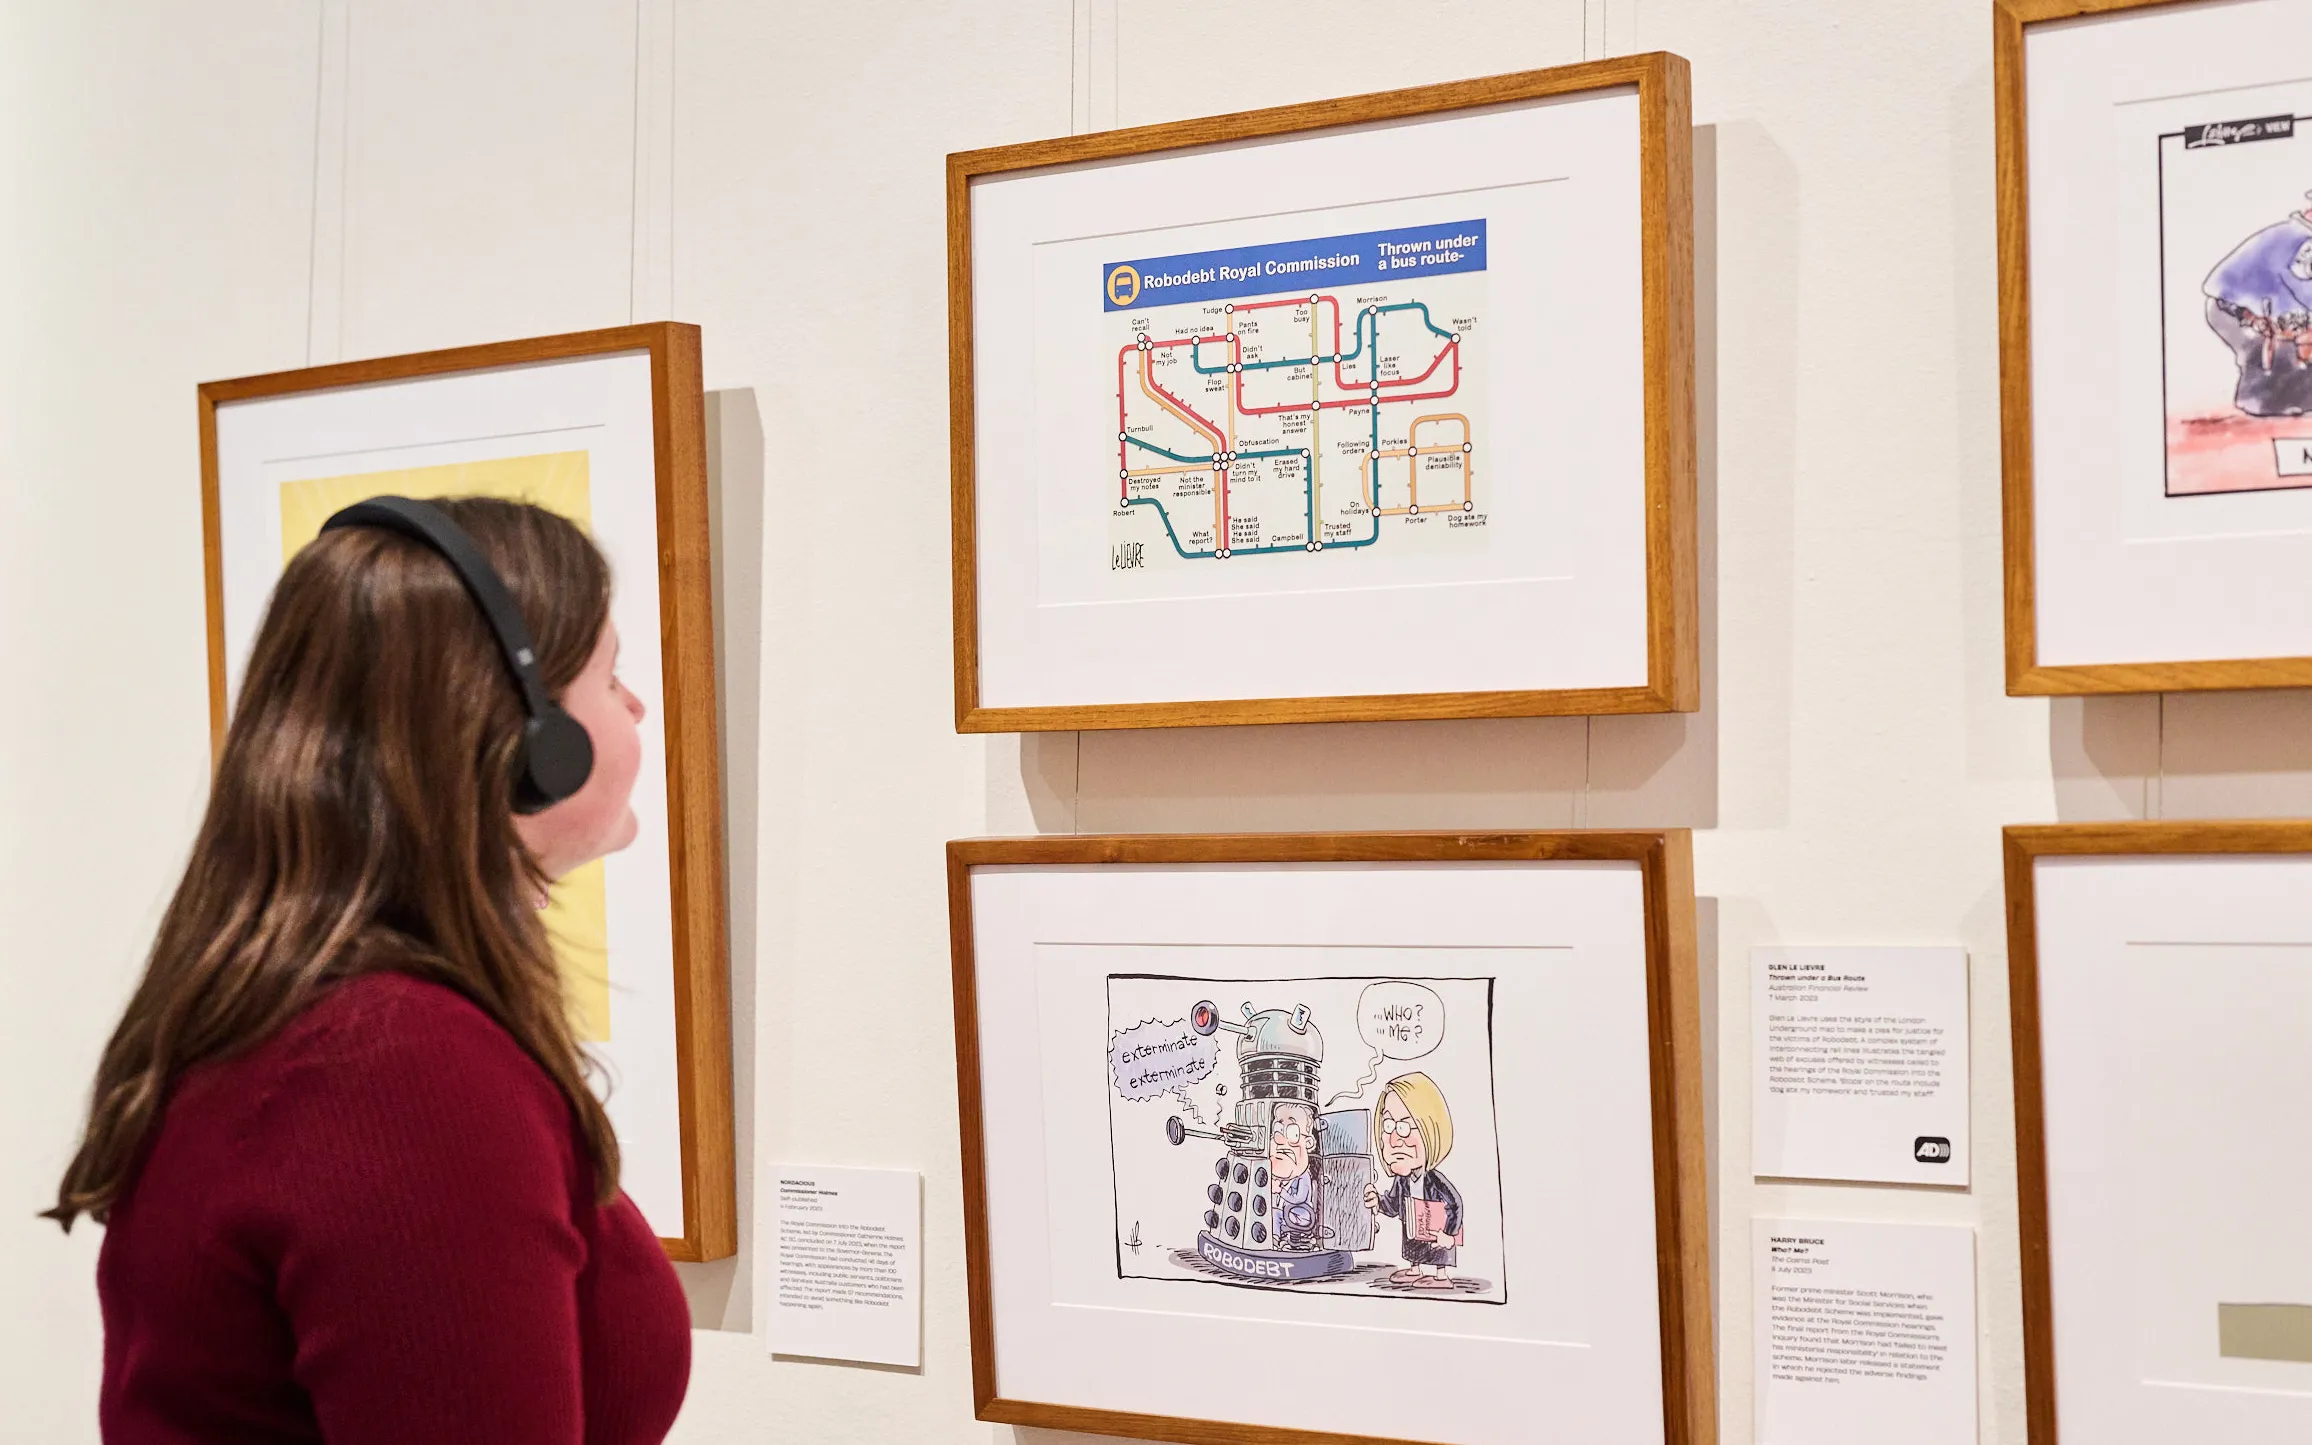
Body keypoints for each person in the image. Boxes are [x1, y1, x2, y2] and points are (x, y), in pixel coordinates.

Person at [45, 497, 690, 1444]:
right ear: (530, 746)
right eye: (610, 674)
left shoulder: (326, 1019)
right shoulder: (398, 1067)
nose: (635, 706)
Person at [2202, 190, 2312, 416]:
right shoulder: (2299, 239)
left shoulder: (2295, 233)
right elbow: (2300, 289)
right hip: (2234, 311)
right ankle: (2260, 402)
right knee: (2273, 355)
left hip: (2250, 310)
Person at [1362, 1071, 1461, 1288]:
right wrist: (1377, 1202)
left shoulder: (1436, 1181)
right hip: (1413, 1229)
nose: (1395, 1139)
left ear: (1430, 1130)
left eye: (1405, 1127)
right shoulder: (1402, 1181)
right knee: (1412, 1243)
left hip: (1437, 1232)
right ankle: (1415, 1268)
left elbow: (1455, 1205)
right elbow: (1393, 1205)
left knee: (1437, 1248)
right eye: (1388, 1125)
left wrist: (1449, 1234)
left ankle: (1441, 1276)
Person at [1268, 1101, 1319, 1250]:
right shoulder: (1280, 1177)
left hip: (1300, 1214)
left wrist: (1280, 1191)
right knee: (1274, 1213)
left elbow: (1299, 1198)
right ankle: (1275, 1239)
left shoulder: (1303, 1177)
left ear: (1308, 1143)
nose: (1280, 1140)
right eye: (1278, 1130)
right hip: (1287, 1212)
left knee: (1276, 1214)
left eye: (1292, 1133)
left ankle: (1277, 1239)